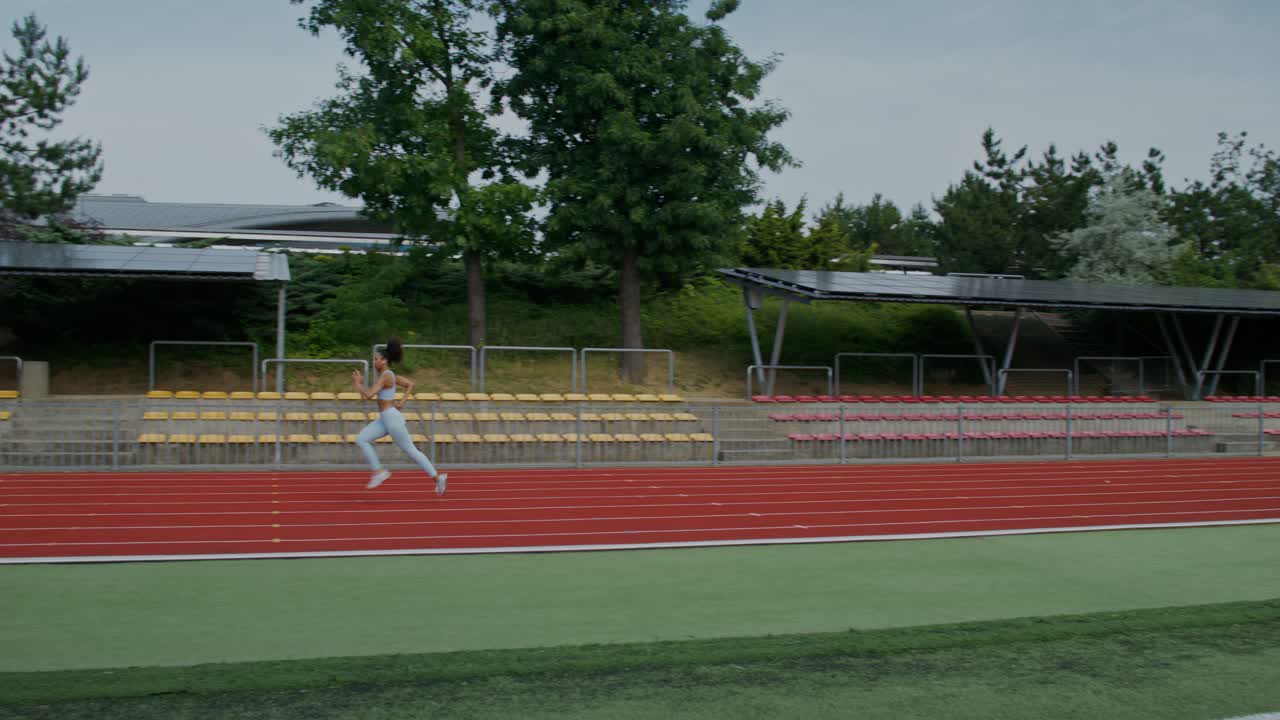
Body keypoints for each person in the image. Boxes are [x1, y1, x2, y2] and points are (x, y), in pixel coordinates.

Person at [352, 338, 447, 494]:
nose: (374, 362)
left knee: (412, 451)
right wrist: (402, 401)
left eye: (376, 359)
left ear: (384, 361)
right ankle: (379, 471)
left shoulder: (386, 376)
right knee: (361, 439)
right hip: (385, 419)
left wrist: (358, 383)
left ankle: (438, 478)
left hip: (391, 419)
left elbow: (369, 394)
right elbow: (410, 384)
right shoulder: (389, 375)